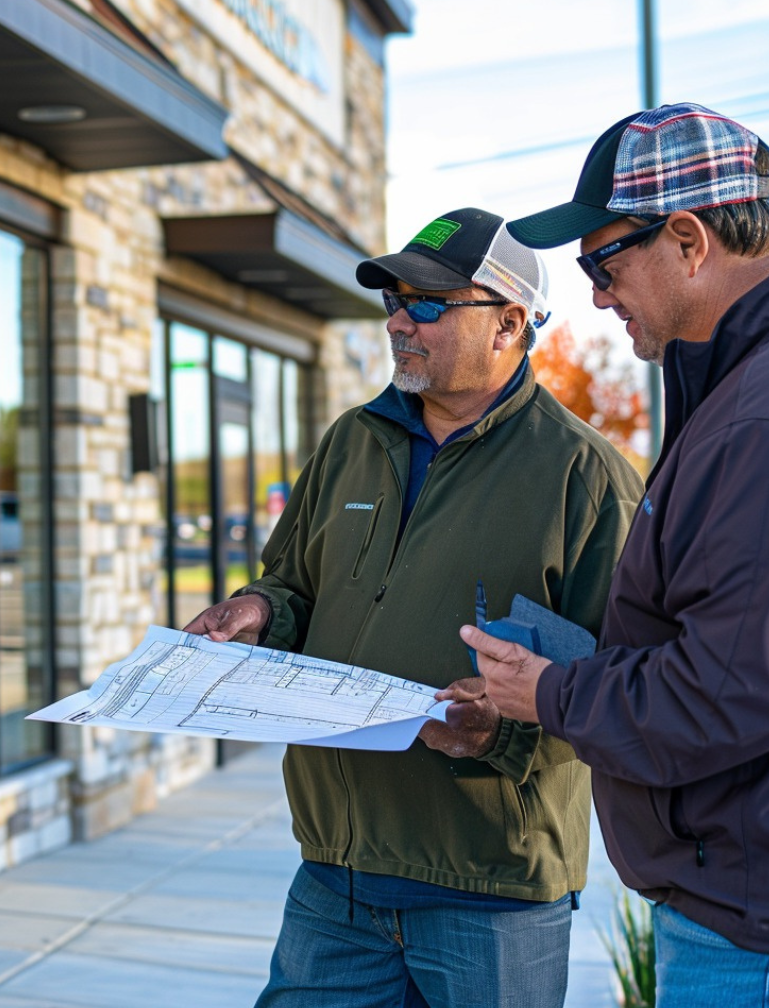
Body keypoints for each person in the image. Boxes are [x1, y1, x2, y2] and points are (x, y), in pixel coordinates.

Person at [460, 103, 769, 1007]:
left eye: (602, 262)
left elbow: (742, 687)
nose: (596, 296)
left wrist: (548, 692)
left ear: (687, 240)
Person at [182, 206, 644, 1008]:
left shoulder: (586, 477)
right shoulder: (350, 441)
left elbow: (624, 683)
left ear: (508, 322)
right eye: (394, 300)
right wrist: (258, 610)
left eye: (428, 303)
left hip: (488, 890)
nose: (399, 321)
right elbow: (292, 584)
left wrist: (501, 733)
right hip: (335, 876)